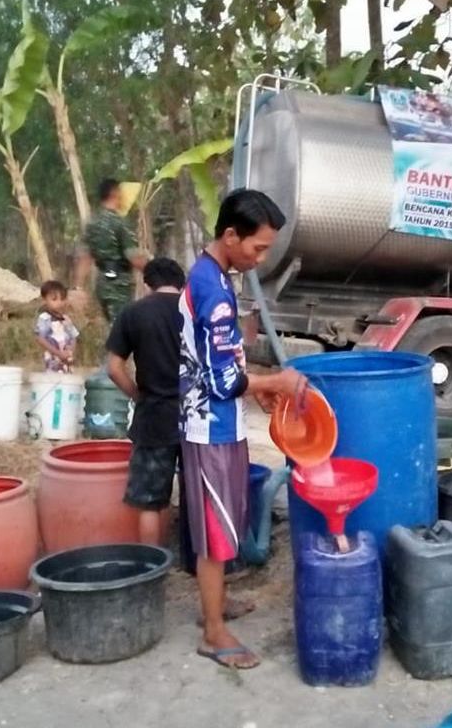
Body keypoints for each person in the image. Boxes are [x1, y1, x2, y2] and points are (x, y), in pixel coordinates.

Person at [180, 188, 307, 671]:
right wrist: (277, 380)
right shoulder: (211, 289)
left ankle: (217, 604)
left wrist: (257, 389)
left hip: (222, 421)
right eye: (257, 248)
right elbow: (223, 379)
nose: (261, 258)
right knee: (215, 532)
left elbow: (225, 359)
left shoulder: (215, 275)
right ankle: (213, 632)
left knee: (225, 520)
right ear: (230, 235)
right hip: (208, 426)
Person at [105, 258, 185, 547]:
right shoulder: (197, 312)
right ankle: (194, 561)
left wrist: (138, 395)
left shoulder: (133, 313)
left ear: (147, 283)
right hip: (196, 419)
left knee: (150, 503)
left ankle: (153, 566)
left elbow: (114, 368)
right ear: (181, 282)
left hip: (153, 419)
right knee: (197, 497)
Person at [74, 178, 148, 324]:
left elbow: (85, 258)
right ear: (115, 193)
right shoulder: (120, 223)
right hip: (119, 284)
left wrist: (78, 287)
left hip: (102, 283)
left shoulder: (92, 224)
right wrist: (154, 273)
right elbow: (133, 257)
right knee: (121, 331)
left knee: (113, 328)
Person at [34, 280, 80, 373]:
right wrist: (57, 353)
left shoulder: (65, 319)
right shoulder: (45, 318)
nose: (59, 303)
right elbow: (40, 339)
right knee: (54, 380)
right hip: (53, 358)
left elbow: (73, 336)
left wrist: (70, 351)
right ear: (45, 300)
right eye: (54, 299)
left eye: (62, 299)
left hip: (67, 358)